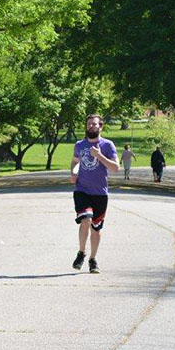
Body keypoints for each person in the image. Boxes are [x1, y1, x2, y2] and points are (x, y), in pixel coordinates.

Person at [70, 114, 119, 274]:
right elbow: (75, 161)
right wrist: (72, 173)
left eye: (94, 124)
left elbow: (115, 168)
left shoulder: (107, 145)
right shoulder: (79, 145)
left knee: (96, 229)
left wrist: (99, 156)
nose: (91, 126)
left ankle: (92, 259)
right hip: (82, 189)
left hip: (100, 193)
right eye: (89, 124)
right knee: (86, 220)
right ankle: (81, 252)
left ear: (101, 127)